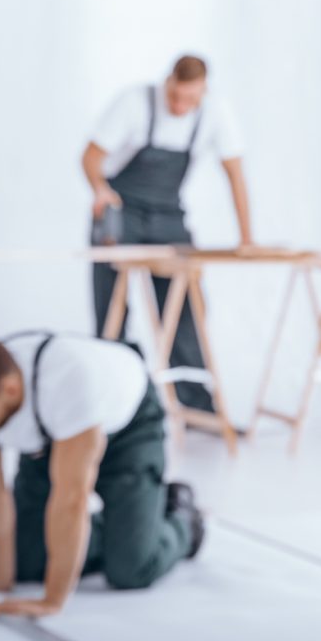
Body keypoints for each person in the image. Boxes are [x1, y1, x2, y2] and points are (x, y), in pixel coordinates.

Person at [0, 331, 204, 617]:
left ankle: (183, 518)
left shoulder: (69, 383)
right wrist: (0, 578)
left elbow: (71, 499)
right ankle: (121, 529)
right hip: (51, 439)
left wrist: (52, 599)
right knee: (26, 561)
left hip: (128, 431)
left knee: (131, 568)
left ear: (10, 390)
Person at [83, 55, 252, 416]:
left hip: (167, 215)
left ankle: (198, 408)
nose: (179, 106)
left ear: (203, 92)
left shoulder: (215, 114)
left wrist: (246, 238)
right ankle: (113, 407)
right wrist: (99, 188)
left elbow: (235, 174)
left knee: (186, 307)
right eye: (174, 96)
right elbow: (91, 156)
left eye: (188, 100)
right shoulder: (134, 103)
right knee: (110, 308)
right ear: (167, 82)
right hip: (120, 209)